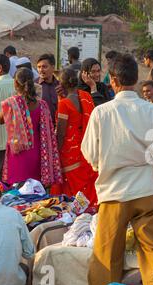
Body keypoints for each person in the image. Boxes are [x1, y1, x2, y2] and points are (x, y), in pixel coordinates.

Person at [81, 53, 153, 285]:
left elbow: (89, 153)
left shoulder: (102, 112)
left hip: (113, 192)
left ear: (112, 80)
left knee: (107, 253)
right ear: (136, 79)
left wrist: (104, 164)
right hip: (147, 190)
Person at [0, 68, 62, 187]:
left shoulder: (11, 103)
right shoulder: (42, 105)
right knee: (35, 192)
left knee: (17, 193)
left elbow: (0, 120)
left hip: (17, 153)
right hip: (37, 152)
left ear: (15, 84)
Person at [52, 68, 98, 206]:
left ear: (62, 84)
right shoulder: (86, 96)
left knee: (73, 188)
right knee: (87, 184)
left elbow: (61, 133)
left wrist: (56, 153)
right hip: (87, 148)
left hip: (70, 153)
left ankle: (77, 211)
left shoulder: (64, 104)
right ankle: (90, 208)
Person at [36, 53, 62, 123]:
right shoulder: (34, 86)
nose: (41, 70)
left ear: (53, 67)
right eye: (39, 67)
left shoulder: (60, 86)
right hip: (40, 128)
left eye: (44, 67)